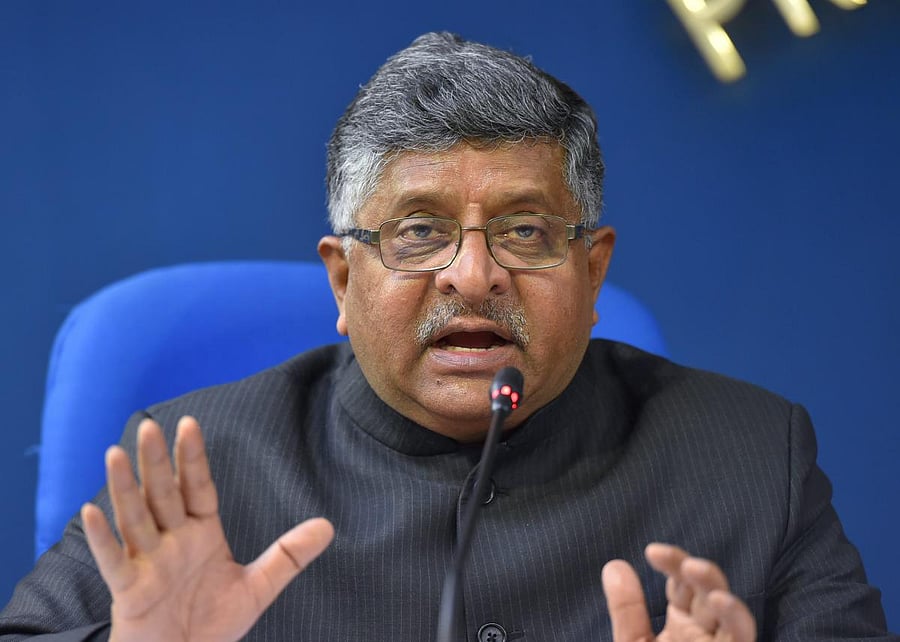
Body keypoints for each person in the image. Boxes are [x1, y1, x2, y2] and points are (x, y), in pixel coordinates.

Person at [0, 31, 894, 641]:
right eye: (420, 230)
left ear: (592, 273)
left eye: (526, 230)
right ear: (343, 280)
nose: (473, 274)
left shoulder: (752, 456)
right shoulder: (195, 469)